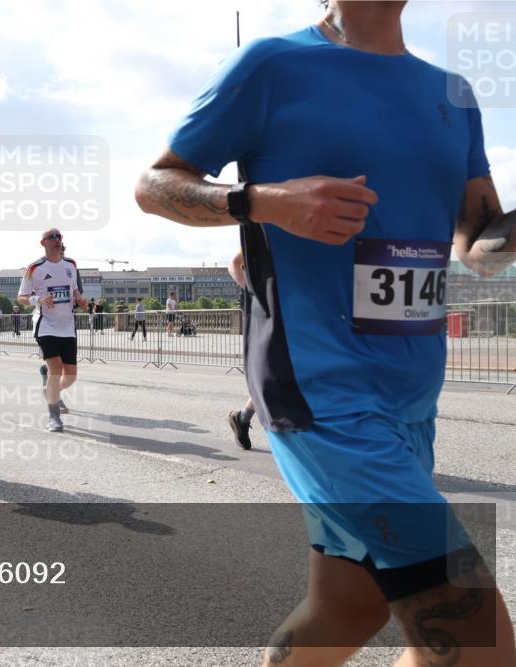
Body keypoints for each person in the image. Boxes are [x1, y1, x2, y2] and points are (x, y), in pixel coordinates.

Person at [134, 2, 516, 665]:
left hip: (410, 397)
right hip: (321, 390)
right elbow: (155, 183)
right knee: (480, 642)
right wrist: (265, 202)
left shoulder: (450, 92)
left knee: (349, 606)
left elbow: (478, 243)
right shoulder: (273, 65)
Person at [18, 228, 88, 432]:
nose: (57, 240)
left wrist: (80, 299)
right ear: (43, 243)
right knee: (57, 371)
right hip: (46, 324)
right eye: (52, 237)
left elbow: (74, 290)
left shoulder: (71, 265)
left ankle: (49, 387)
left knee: (71, 376)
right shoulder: (34, 268)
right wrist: (38, 299)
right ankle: (54, 417)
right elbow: (21, 297)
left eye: (59, 237)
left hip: (67, 326)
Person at [225, 251, 256, 451]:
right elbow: (234, 263)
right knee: (274, 377)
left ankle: (242, 418)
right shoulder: (267, 228)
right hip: (266, 312)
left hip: (292, 308)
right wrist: (254, 291)